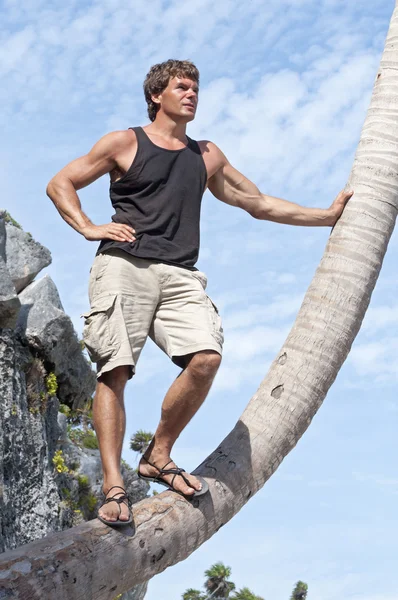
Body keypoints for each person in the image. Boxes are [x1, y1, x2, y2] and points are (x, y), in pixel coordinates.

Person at [46, 59, 352, 527]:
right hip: (123, 266)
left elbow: (257, 202)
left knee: (206, 358)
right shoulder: (125, 142)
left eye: (195, 88)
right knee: (115, 371)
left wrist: (325, 216)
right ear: (156, 96)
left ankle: (158, 454)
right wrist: (88, 226)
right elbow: (60, 182)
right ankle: (114, 486)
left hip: (181, 274)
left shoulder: (206, 154)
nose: (191, 94)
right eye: (182, 87)